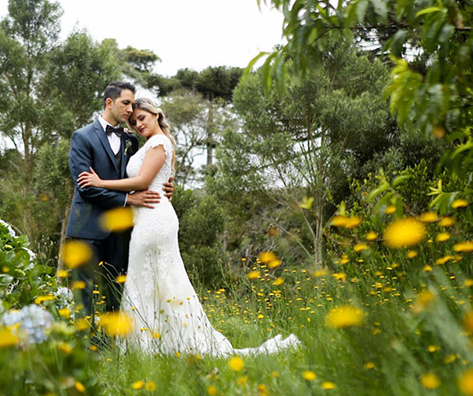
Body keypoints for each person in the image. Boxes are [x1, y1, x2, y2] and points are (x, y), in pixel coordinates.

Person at [77, 97, 300, 356]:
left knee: (150, 279)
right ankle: (158, 344)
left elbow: (143, 180)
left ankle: (150, 346)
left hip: (154, 219)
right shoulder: (151, 144)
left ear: (156, 114)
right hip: (147, 217)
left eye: (142, 118)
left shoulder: (160, 143)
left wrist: (99, 182)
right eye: (134, 120)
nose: (138, 124)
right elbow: (160, 182)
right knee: (154, 280)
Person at [65, 82, 173, 329]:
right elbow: (86, 187)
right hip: (87, 230)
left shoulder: (131, 140)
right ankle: (86, 351)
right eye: (126, 103)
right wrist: (128, 199)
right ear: (109, 103)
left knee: (117, 292)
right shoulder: (82, 137)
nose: (130, 110)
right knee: (85, 296)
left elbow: (141, 176)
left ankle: (112, 348)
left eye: (132, 104)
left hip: (122, 230)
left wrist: (166, 185)